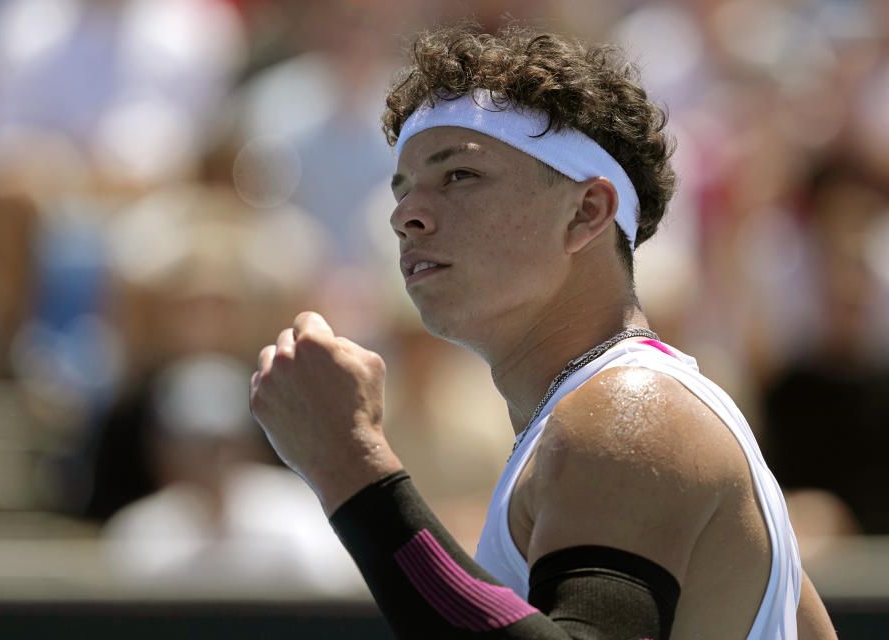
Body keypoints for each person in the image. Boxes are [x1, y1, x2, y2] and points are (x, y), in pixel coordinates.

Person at [248, 24, 837, 639]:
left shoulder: (629, 413)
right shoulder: (625, 415)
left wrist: (347, 461)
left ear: (586, 213)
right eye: (403, 189)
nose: (405, 216)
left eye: (459, 177)